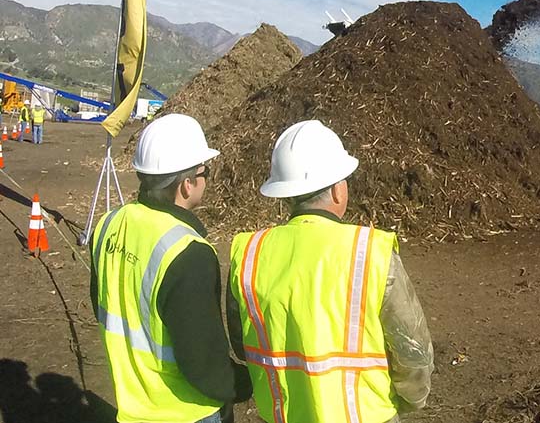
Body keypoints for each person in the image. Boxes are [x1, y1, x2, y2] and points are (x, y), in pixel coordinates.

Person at [228, 120, 433, 423]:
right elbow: (412, 351)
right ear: (338, 190)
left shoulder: (249, 253)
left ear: (285, 194)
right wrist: (410, 400)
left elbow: (243, 343)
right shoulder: (370, 251)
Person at [89, 114, 251, 423]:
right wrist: (243, 383)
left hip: (133, 408)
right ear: (187, 185)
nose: (207, 179)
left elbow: (103, 306)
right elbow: (204, 365)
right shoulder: (188, 253)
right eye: (204, 172)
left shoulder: (108, 225)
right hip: (187, 412)